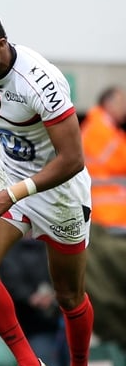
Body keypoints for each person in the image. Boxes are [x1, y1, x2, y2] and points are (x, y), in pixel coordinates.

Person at [0, 8, 93, 366]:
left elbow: (73, 159)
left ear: (1, 44)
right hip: (9, 174)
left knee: (69, 296)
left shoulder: (40, 83)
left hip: (59, 190)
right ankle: (31, 365)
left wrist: (14, 194)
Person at [80, 86, 126, 348]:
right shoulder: (98, 127)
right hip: (107, 220)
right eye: (121, 101)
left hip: (113, 219)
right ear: (108, 102)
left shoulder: (105, 128)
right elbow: (119, 159)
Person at [0, 236, 69, 366]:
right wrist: (31, 298)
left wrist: (55, 295)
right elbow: (11, 281)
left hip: (60, 323)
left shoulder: (47, 244)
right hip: (33, 328)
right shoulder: (9, 250)